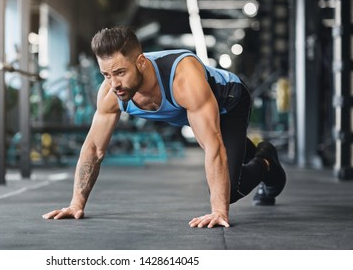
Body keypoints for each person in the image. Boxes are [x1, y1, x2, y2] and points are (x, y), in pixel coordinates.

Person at [43, 25, 286, 228]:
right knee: (232, 156)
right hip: (193, 113)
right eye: (106, 74)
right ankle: (260, 156)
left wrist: (218, 211)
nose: (114, 83)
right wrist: (76, 203)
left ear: (141, 62)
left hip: (229, 102)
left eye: (119, 72)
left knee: (230, 190)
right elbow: (94, 148)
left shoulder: (183, 77)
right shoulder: (110, 92)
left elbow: (213, 146)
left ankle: (266, 158)